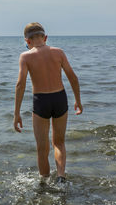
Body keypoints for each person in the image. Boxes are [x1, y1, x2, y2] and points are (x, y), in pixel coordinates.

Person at [14, 22, 83, 183]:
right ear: (45, 37)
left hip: (41, 101)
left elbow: (20, 84)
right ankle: (61, 176)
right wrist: (78, 101)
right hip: (60, 98)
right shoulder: (58, 52)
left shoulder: (26, 56)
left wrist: (17, 113)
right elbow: (73, 77)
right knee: (59, 142)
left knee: (42, 148)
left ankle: (44, 183)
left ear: (28, 41)